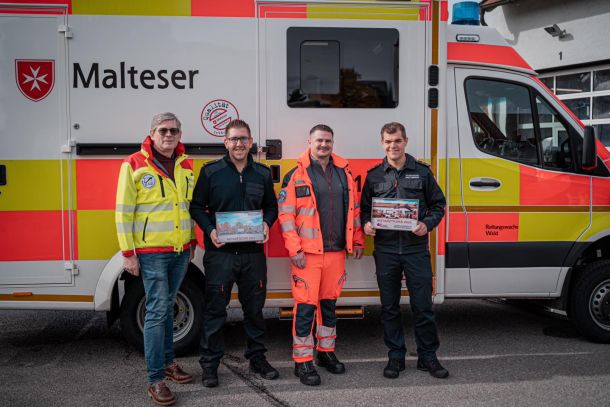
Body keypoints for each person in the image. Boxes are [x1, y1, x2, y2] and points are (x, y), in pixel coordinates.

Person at [190, 119, 279, 388]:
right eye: (234, 139)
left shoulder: (262, 173)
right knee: (215, 311)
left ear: (251, 142)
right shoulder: (211, 172)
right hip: (221, 255)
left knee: (254, 311)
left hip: (253, 255)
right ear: (225, 142)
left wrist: (267, 223)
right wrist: (209, 230)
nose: (239, 144)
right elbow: (196, 207)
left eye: (243, 139)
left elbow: (272, 207)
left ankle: (257, 359)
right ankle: (210, 365)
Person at [115, 112, 195, 406]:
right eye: (163, 130)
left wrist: (192, 240)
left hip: (180, 250)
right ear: (152, 133)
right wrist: (128, 253)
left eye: (173, 130)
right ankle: (155, 379)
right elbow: (123, 212)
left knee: (167, 307)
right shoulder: (135, 163)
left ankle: (169, 363)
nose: (168, 135)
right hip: (152, 253)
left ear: (180, 134)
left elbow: (186, 206)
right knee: (157, 311)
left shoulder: (186, 164)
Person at [360, 122, 449, 380]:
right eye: (388, 142)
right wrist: (366, 224)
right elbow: (364, 210)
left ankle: (428, 357)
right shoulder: (374, 176)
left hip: (415, 249)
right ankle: (395, 356)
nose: (393, 146)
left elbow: (438, 205)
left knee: (423, 307)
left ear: (405, 141)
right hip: (386, 250)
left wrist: (426, 224)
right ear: (382, 143)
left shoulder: (422, 172)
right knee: (389, 308)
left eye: (397, 141)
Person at [278, 124, 364, 386]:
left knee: (328, 306)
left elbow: (354, 210)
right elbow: (286, 216)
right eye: (319, 141)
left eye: (328, 141)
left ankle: (326, 352)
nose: (324, 145)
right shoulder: (296, 175)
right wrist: (294, 249)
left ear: (332, 143)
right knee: (305, 308)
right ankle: (302, 360)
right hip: (307, 254)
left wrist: (357, 239)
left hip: (336, 252)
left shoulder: (344, 173)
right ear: (310, 142)